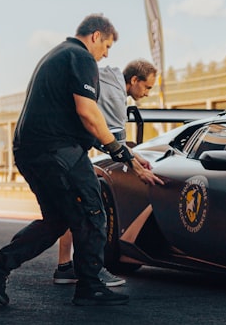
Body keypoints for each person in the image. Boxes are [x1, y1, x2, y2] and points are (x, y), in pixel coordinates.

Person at [0, 14, 161, 307]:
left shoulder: (57, 55)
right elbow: (88, 113)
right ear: (96, 36)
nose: (106, 54)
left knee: (58, 220)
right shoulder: (81, 57)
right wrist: (122, 153)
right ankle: (89, 285)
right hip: (58, 151)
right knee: (93, 212)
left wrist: (124, 153)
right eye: (108, 45)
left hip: (30, 150)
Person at [52, 59, 158, 286]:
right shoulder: (115, 97)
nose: (148, 93)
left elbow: (114, 143)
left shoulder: (106, 75)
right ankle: (93, 271)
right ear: (134, 80)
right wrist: (139, 171)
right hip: (67, 151)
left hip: (56, 146)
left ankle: (64, 268)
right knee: (95, 210)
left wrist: (137, 157)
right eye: (147, 87)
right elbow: (114, 146)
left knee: (70, 209)